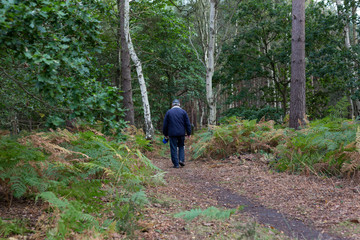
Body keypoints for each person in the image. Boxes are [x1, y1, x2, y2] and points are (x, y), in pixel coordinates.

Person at [163, 99, 191, 168]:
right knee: (181, 146)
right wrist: (189, 133)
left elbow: (165, 124)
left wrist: (165, 133)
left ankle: (176, 164)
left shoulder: (169, 112)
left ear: (172, 105)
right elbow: (187, 123)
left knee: (173, 148)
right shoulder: (183, 112)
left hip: (172, 134)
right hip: (181, 133)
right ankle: (181, 160)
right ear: (179, 104)